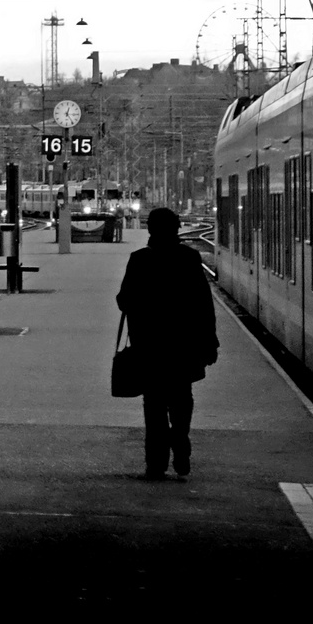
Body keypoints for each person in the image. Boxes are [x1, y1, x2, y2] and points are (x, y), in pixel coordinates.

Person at [115, 206, 218, 481]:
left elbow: (124, 301)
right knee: (182, 398)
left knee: (154, 405)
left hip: (149, 347)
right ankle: (181, 443)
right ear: (177, 229)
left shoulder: (139, 260)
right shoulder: (189, 258)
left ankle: (156, 463)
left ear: (150, 230)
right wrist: (211, 342)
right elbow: (203, 304)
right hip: (183, 347)